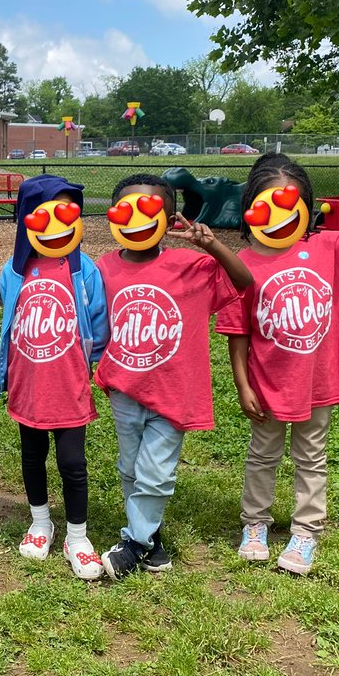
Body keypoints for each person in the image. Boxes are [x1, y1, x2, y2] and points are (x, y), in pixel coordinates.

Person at [218, 151, 339, 575]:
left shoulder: (332, 248)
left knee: (311, 456)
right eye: (268, 205)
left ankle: (306, 531)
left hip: (319, 381)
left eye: (290, 204)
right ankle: (255, 523)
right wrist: (243, 384)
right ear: (251, 208)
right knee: (262, 455)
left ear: (306, 207)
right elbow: (237, 331)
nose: (279, 216)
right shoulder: (243, 266)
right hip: (267, 383)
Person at [94, 174, 252, 579]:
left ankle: (134, 544)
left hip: (173, 391)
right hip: (124, 388)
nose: (136, 220)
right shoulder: (102, 269)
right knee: (131, 468)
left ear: (168, 220)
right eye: (125, 210)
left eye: (149, 211)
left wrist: (212, 244)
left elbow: (243, 281)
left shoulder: (191, 266)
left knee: (157, 473)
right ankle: (152, 541)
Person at [0, 174, 109, 580]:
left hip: (69, 385)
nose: (58, 223)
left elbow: (99, 322)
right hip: (28, 386)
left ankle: (77, 536)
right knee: (32, 456)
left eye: (67, 213)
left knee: (72, 462)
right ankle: (40, 523)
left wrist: (87, 364)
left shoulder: (85, 271)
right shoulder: (14, 272)